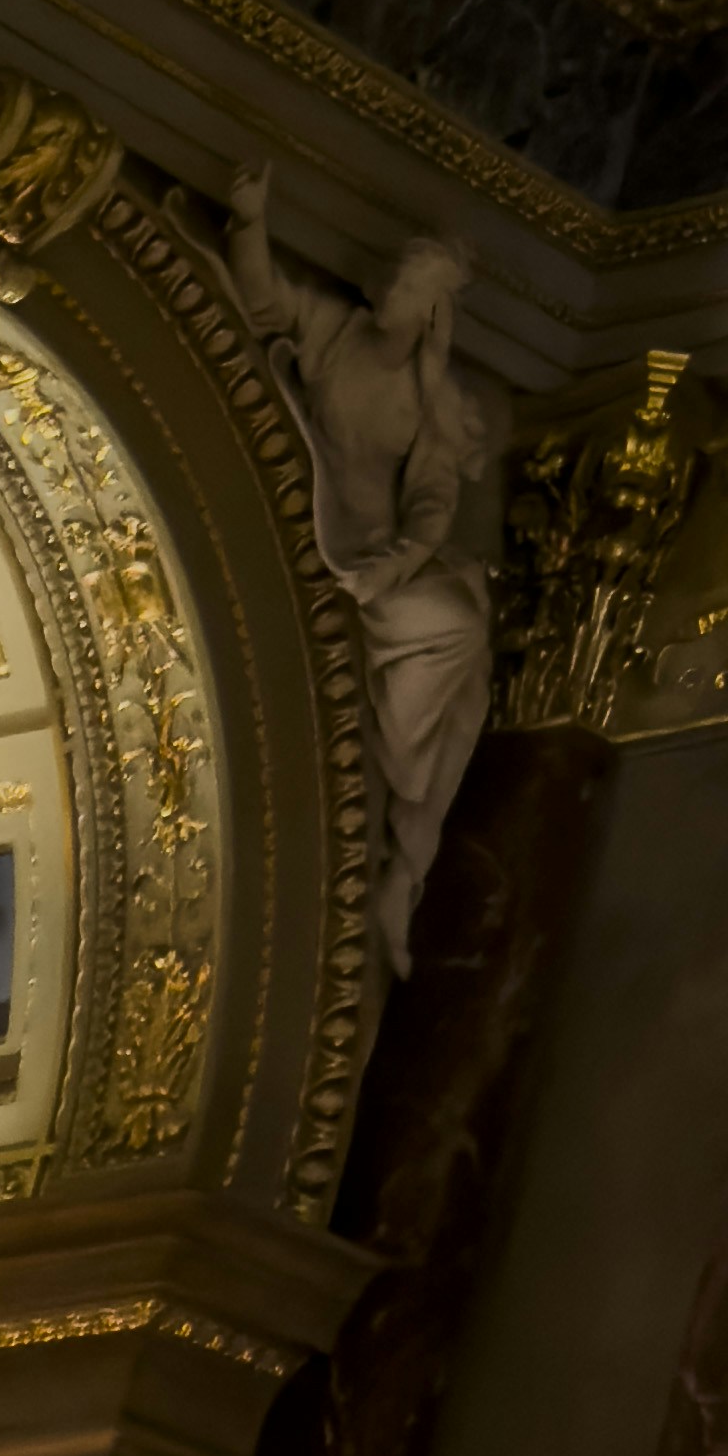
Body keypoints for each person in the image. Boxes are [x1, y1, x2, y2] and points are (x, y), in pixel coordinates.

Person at [216, 161, 511, 961]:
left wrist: (397, 562)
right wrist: (249, 219)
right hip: (313, 521)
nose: (395, 298)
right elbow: (262, 299)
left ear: (432, 315)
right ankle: (398, 797)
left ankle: (400, 821)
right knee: (456, 641)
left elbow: (432, 505)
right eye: (397, 283)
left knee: (458, 635)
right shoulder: (336, 334)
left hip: (378, 561)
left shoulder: (431, 400)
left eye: (414, 293)